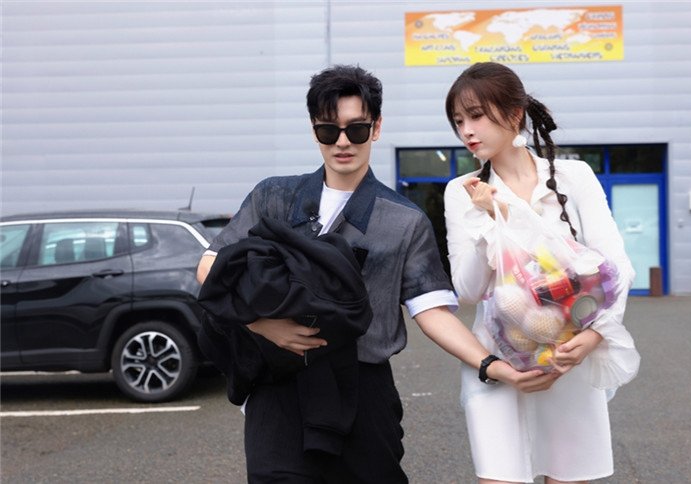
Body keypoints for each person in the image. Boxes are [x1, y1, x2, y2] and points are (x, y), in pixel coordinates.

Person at [196, 64, 553, 483]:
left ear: (377, 128)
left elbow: (432, 311)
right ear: (314, 131)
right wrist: (263, 324)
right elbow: (211, 267)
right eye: (328, 130)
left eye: (357, 129)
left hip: (363, 392)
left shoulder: (403, 220)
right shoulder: (274, 197)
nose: (342, 142)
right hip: (278, 387)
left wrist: (493, 365)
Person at [443, 62, 641, 483]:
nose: (466, 131)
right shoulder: (462, 192)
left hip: (568, 352)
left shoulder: (573, 176)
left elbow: (617, 267)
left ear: (514, 114)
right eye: (458, 121)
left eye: (476, 116)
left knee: (568, 475)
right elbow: (467, 290)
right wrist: (488, 221)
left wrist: (594, 337)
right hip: (500, 357)